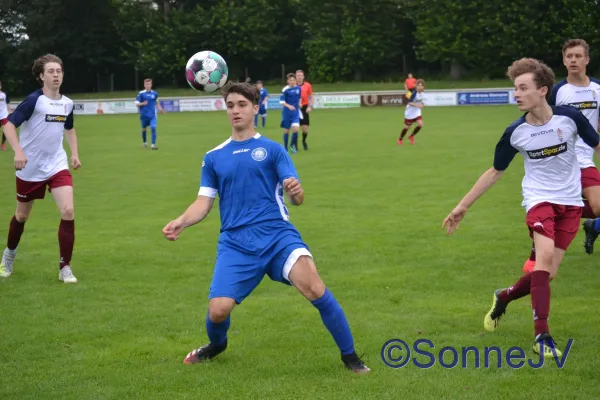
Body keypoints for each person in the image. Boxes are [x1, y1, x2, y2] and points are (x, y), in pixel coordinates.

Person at [161, 82, 369, 374]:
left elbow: (297, 198)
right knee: (218, 311)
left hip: (277, 236)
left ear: (255, 109)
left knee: (314, 287)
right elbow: (203, 202)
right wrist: (182, 220)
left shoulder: (272, 150)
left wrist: (295, 191)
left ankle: (351, 359)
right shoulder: (213, 157)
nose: (235, 110)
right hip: (236, 243)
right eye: (230, 105)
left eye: (242, 105)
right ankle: (217, 345)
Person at [442, 58, 600, 358]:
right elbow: (494, 171)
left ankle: (504, 296)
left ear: (542, 90)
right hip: (539, 201)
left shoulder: (569, 119)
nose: (516, 94)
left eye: (523, 88)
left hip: (570, 203)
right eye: (515, 88)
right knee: (544, 259)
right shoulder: (515, 132)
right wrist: (463, 206)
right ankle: (542, 335)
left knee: (548, 273)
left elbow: (596, 144)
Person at [0, 54, 81, 283]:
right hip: (30, 168)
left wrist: (74, 154)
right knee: (22, 215)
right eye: (51, 71)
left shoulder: (67, 103)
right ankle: (8, 256)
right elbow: (8, 125)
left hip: (57, 165)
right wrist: (18, 151)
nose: (56, 75)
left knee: (67, 211)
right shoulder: (34, 101)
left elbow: (70, 129)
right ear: (41, 76)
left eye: (59, 71)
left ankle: (65, 267)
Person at [522, 39, 600, 271]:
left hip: (585, 157)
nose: (573, 60)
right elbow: (542, 119)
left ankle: (584, 222)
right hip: (561, 159)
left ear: (586, 60)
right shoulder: (558, 91)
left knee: (597, 206)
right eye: (569, 56)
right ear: (564, 60)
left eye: (578, 56)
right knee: (559, 202)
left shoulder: (598, 89)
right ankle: (543, 229)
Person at [135, 78, 164, 150]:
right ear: (144, 85)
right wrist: (142, 103)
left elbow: (156, 101)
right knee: (144, 129)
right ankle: (144, 143)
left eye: (149, 84)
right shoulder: (141, 93)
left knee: (153, 128)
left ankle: (153, 145)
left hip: (152, 115)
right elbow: (137, 104)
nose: (148, 85)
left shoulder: (155, 93)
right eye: (146, 84)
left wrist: (160, 108)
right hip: (144, 115)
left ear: (151, 85)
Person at [279, 73, 302, 153]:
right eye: (290, 80)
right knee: (286, 131)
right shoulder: (285, 90)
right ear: (288, 81)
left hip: (295, 112)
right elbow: (282, 102)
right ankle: (285, 148)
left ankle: (292, 145)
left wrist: (299, 103)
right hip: (287, 113)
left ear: (295, 81)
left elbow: (299, 98)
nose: (292, 82)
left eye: (293, 80)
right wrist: (289, 106)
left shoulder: (298, 88)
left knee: (296, 129)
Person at [398, 79, 425, 145]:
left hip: (417, 112)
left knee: (421, 124)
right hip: (410, 112)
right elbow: (409, 102)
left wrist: (422, 104)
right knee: (407, 127)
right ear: (416, 86)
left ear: (423, 87)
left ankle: (411, 136)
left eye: (421, 85)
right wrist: (418, 105)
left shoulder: (423, 93)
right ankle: (400, 139)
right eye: (418, 85)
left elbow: (422, 101)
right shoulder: (414, 92)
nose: (420, 87)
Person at [296, 70, 314, 150]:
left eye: (301, 75)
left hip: (304, 107)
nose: (299, 77)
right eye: (298, 75)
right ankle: (294, 145)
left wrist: (310, 106)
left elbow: (311, 97)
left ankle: (304, 141)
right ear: (296, 77)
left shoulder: (308, 85)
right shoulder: (292, 86)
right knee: (295, 128)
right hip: (295, 108)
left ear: (303, 77)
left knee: (305, 129)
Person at [0, 80, 10, 151]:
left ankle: (3, 144)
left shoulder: (4, 94)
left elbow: (8, 102)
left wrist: (9, 111)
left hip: (4, 114)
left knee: (6, 130)